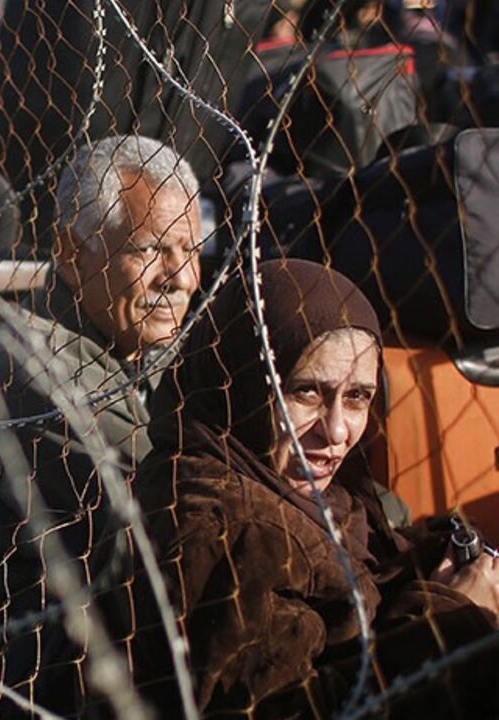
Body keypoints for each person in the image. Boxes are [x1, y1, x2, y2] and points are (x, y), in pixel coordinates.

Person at [92, 258, 499, 718]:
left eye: (357, 397)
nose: (338, 430)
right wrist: (450, 621)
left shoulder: (313, 493)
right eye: (307, 392)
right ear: (241, 380)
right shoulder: (224, 525)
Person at [0, 135, 203, 716]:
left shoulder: (127, 338)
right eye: (151, 250)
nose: (180, 277)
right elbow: (175, 519)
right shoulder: (45, 375)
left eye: (191, 248)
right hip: (16, 685)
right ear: (72, 253)